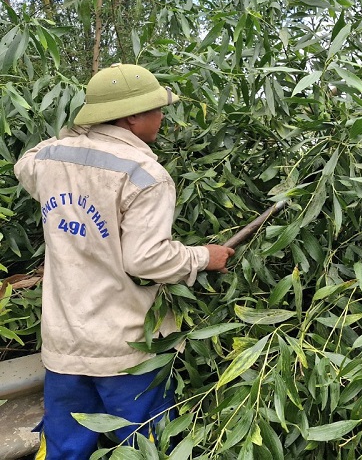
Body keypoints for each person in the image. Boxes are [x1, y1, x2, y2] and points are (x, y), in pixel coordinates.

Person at [14, 63, 235, 458]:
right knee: (147, 446)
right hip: (125, 349)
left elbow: (25, 162)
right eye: (156, 109)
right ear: (132, 116)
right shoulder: (144, 174)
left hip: (64, 343)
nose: (163, 117)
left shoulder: (51, 158)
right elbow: (146, 260)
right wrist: (205, 257)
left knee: (64, 448)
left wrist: (77, 133)